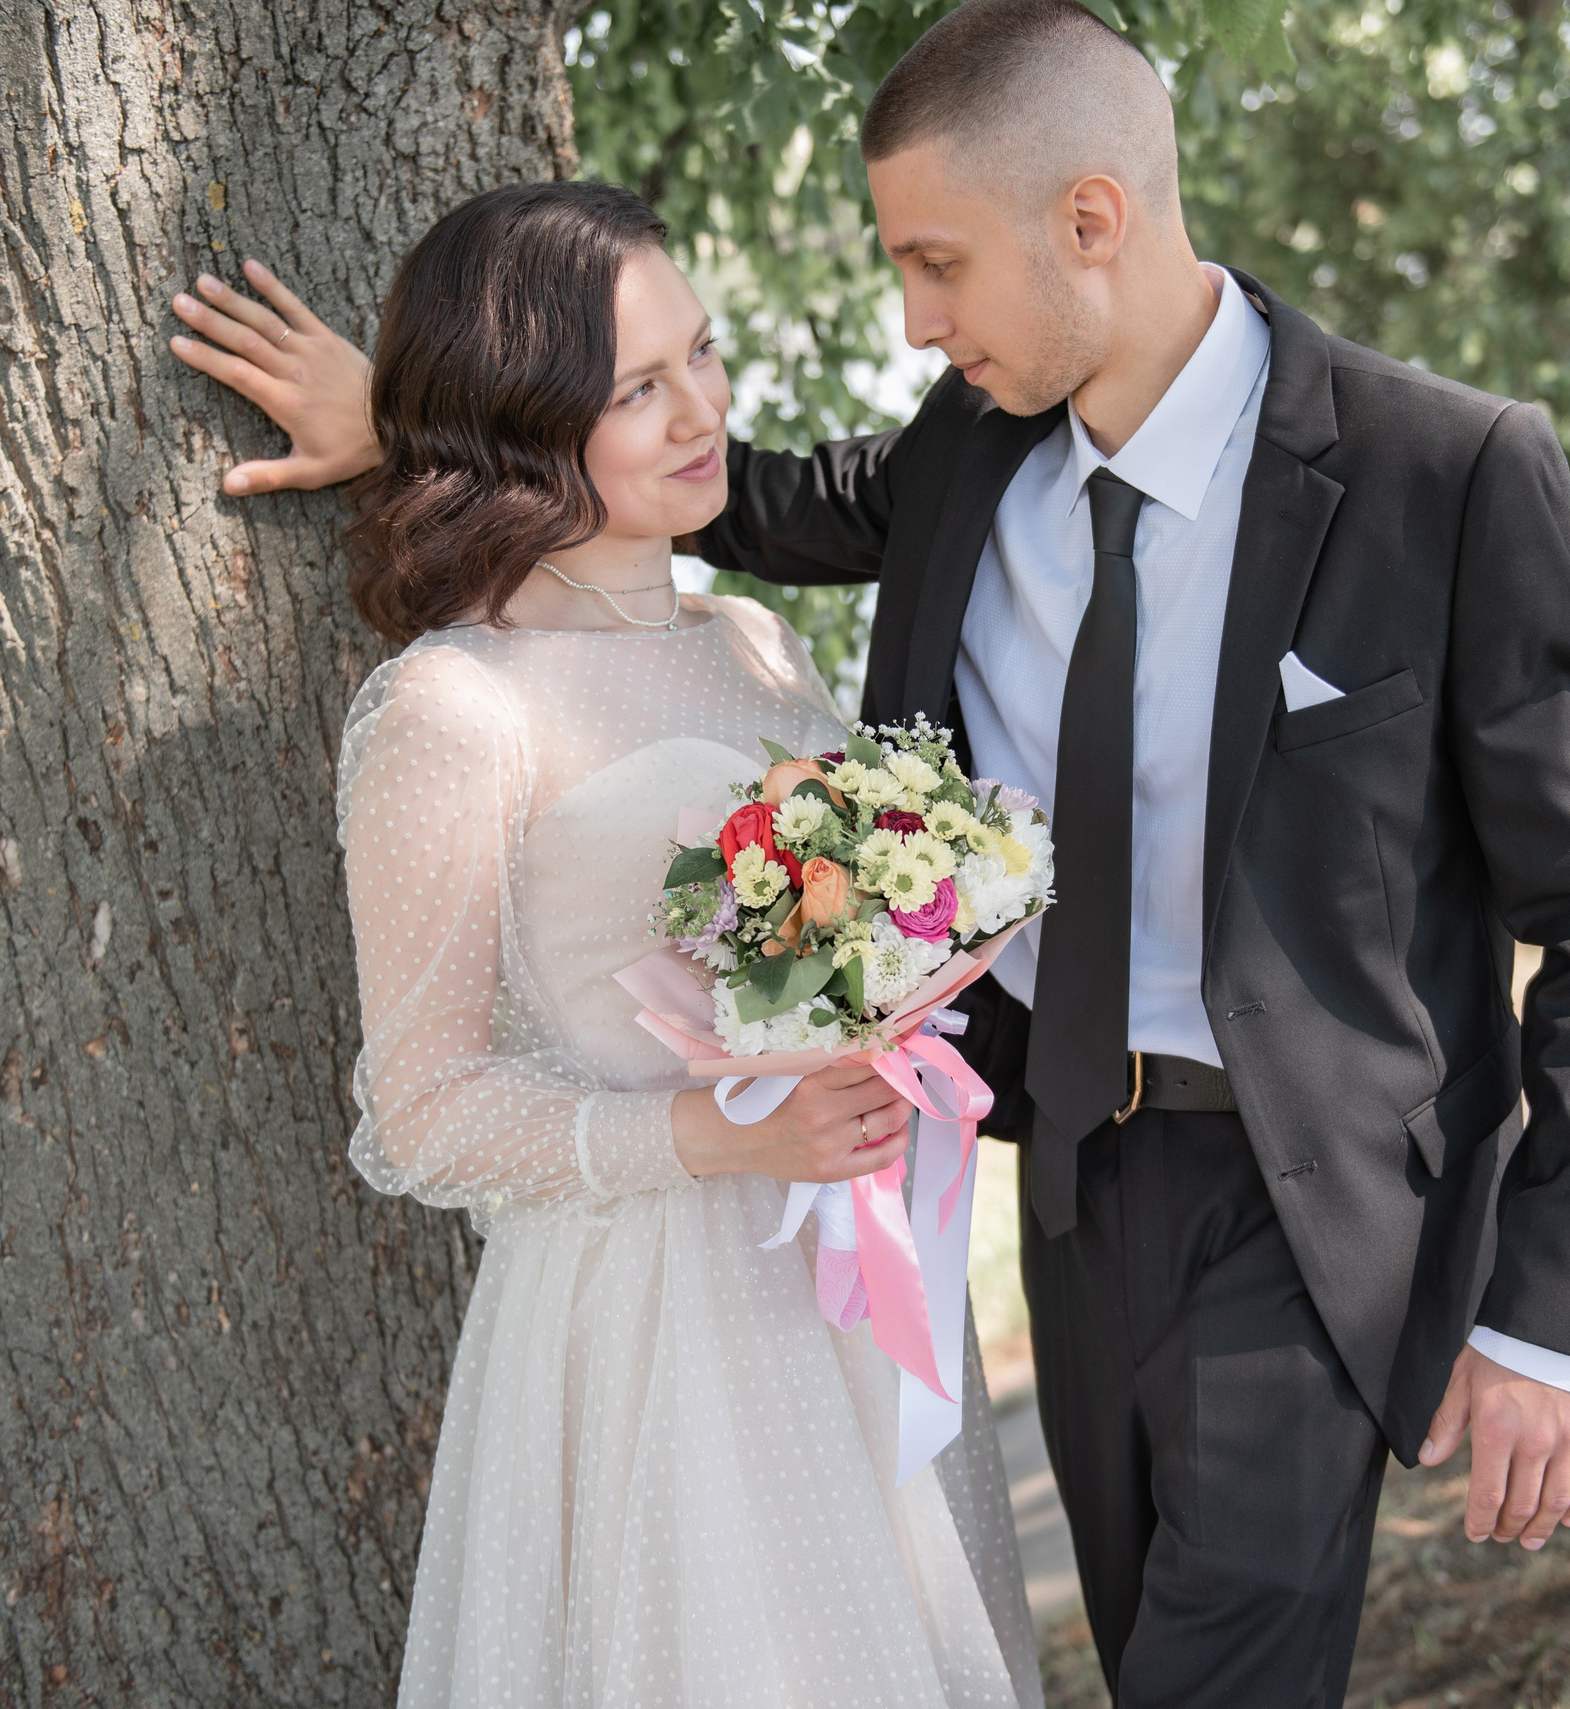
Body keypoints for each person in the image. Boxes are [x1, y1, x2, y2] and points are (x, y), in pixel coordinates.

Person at [175, 3, 1570, 1699]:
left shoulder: (1446, 473)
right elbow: (675, 484)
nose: (914, 320)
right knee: (1116, 1655)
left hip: (1314, 1205)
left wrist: (1554, 1316)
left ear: (1090, 222)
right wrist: (412, 420)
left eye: (940, 263)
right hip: (1050, 1200)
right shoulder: (965, 457)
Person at [167, 180, 1043, 1707]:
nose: (704, 407)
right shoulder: (454, 713)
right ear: (521, 422)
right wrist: (704, 1135)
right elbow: (420, 1108)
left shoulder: (754, 645)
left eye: (699, 355)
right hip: (656, 1328)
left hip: (843, 1281)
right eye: (640, 388)